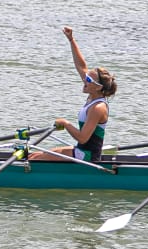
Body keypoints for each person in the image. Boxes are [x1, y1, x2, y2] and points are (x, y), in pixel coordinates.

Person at [32, 27, 115, 163]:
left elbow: (82, 138)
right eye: (86, 77)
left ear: (98, 87)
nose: (84, 80)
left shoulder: (98, 107)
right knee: (36, 155)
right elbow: (81, 66)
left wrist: (65, 123)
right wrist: (71, 40)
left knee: (39, 159)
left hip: (88, 156)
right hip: (81, 150)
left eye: (88, 80)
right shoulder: (93, 93)